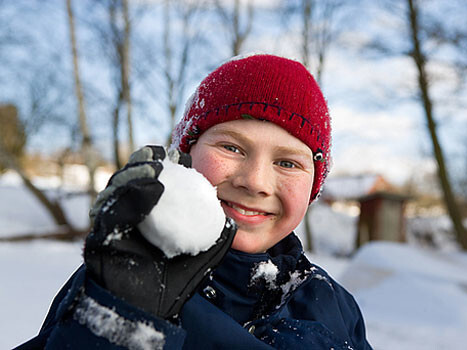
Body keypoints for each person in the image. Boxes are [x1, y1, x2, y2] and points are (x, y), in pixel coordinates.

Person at [16, 54, 373, 349]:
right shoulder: (123, 272)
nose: (255, 181)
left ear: (313, 187)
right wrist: (117, 322)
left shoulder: (334, 306)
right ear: (185, 156)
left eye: (287, 163)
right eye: (231, 147)